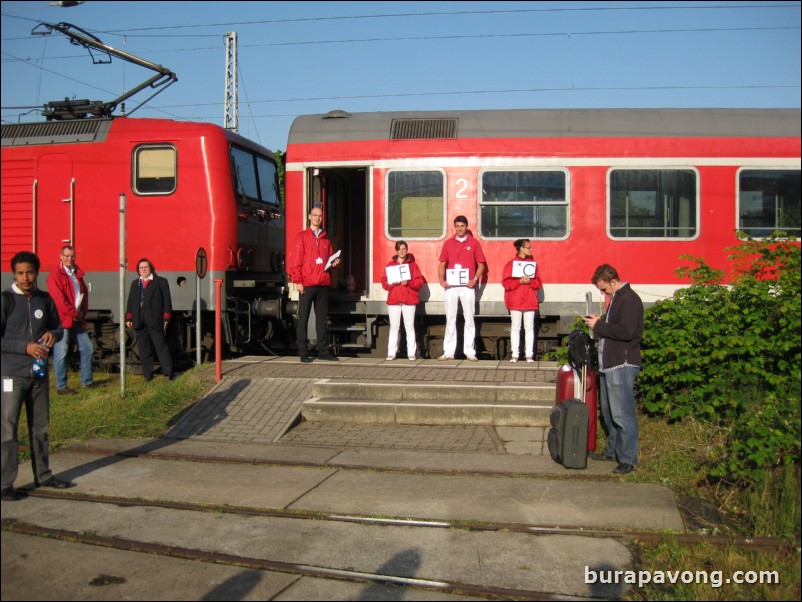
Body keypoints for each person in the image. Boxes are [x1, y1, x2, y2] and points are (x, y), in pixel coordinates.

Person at [1, 251, 72, 501]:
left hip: (39, 375)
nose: (25, 277)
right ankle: (5, 484)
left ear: (36, 272)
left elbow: (59, 328)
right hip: (11, 374)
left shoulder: (45, 299)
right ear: (14, 274)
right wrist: (25, 347)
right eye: (20, 273)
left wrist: (54, 334)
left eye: (29, 272)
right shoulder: (6, 300)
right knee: (8, 430)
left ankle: (43, 475)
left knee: (40, 427)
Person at [583, 264, 644, 476]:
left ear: (614, 282)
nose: (603, 293)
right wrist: (599, 323)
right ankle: (612, 451)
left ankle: (628, 459)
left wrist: (598, 325)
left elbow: (626, 332)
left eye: (604, 289)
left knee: (622, 415)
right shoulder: (618, 298)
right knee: (610, 413)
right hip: (611, 364)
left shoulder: (629, 300)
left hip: (622, 364)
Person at [289, 206, 342, 362]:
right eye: (315, 215)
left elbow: (329, 258)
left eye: (320, 215)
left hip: (323, 283)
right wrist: (298, 281)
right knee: (303, 318)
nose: (318, 218)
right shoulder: (302, 237)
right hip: (307, 283)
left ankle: (323, 351)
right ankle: (303, 352)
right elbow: (296, 261)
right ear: (309, 217)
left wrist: (334, 262)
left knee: (321, 319)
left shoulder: (326, 239)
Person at [46, 245, 96, 395]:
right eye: (66, 256)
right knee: (61, 351)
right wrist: (73, 312)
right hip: (63, 319)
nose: (69, 259)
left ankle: (87, 382)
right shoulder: (55, 275)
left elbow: (84, 292)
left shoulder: (77, 273)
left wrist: (83, 311)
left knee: (87, 347)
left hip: (76, 318)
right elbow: (58, 299)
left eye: (72, 256)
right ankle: (61, 386)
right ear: (60, 257)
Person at [437, 215, 487, 361]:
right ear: (455, 227)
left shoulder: (474, 243)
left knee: (469, 319)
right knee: (450, 319)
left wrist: (475, 279)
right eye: (457, 226)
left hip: (467, 287)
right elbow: (442, 264)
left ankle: (470, 351)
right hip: (451, 287)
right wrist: (441, 280)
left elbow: (481, 265)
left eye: (462, 226)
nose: (460, 229)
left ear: (466, 226)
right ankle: (448, 352)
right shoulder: (448, 243)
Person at [125, 258, 175, 381]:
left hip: (155, 320)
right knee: (144, 350)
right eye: (141, 267)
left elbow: (167, 301)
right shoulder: (135, 284)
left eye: (146, 267)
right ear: (138, 270)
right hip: (139, 321)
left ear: (150, 268)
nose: (144, 269)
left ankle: (169, 373)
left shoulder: (161, 282)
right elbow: (130, 301)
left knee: (161, 347)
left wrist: (166, 317)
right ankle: (148, 376)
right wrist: (129, 317)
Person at [381, 241, 424, 361]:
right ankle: (391, 353)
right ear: (396, 251)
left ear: (407, 250)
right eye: (400, 249)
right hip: (394, 299)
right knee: (394, 327)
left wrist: (409, 283)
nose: (402, 251)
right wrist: (392, 283)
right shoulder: (390, 265)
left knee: (409, 327)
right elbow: (384, 283)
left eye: (404, 249)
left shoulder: (413, 266)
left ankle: (411, 353)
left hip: (409, 299)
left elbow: (419, 282)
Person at [501, 239, 542, 363]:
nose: (531, 250)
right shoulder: (510, 264)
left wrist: (530, 282)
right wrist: (519, 281)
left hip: (529, 300)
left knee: (529, 328)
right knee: (516, 327)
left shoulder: (533, 264)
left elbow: (539, 283)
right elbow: (506, 284)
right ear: (521, 249)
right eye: (528, 248)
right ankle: (515, 354)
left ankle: (529, 355)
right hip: (516, 300)